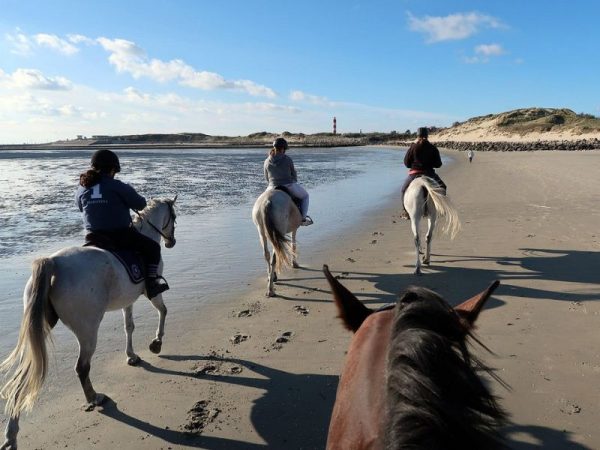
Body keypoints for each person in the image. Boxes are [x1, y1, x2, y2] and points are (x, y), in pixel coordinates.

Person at [76, 149, 169, 298]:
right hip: (119, 236)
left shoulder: (82, 188)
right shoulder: (117, 185)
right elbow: (141, 204)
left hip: (92, 237)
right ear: (112, 169)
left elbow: (81, 208)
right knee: (153, 248)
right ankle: (152, 284)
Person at [263, 137, 313, 226]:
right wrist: (293, 180)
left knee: (262, 201)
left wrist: (272, 183)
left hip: (271, 186)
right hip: (288, 184)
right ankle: (303, 219)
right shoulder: (287, 159)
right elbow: (293, 174)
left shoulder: (266, 161)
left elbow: (266, 177)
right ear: (283, 149)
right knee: (305, 196)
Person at [400, 127, 447, 219]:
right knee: (443, 187)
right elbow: (438, 164)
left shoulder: (413, 147)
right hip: (429, 174)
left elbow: (406, 163)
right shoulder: (433, 148)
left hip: (414, 174)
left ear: (417, 136)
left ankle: (406, 211)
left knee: (403, 190)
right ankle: (441, 208)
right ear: (427, 135)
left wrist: (414, 165)